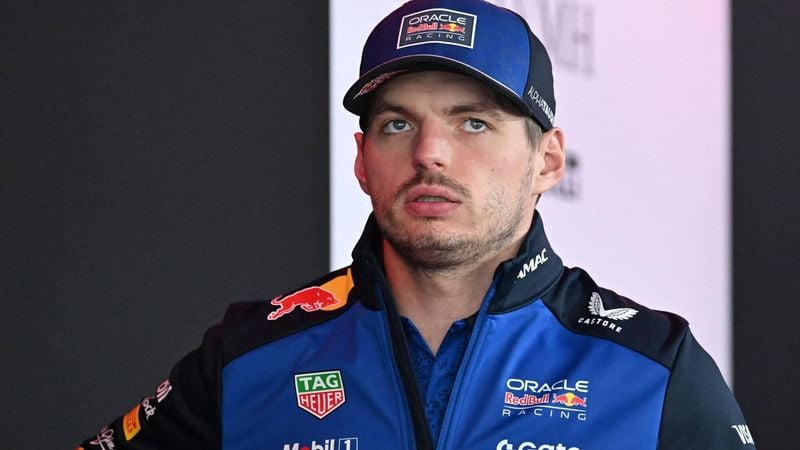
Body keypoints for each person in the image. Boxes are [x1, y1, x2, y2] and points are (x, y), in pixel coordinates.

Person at [77, 0, 755, 449]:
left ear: (548, 160)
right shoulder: (246, 358)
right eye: (398, 124)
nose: (429, 152)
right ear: (363, 162)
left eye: (473, 122)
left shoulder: (654, 369)